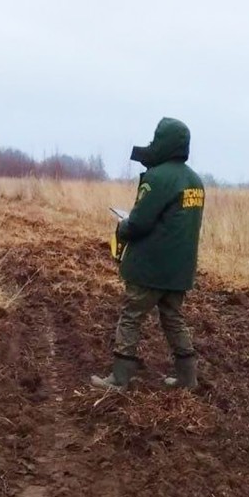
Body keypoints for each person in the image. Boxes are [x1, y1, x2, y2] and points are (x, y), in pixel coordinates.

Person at [91, 117, 205, 391]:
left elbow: (140, 222)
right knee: (173, 319)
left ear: (165, 142)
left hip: (150, 268)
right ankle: (188, 379)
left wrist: (123, 227)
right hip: (179, 271)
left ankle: (119, 379)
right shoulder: (195, 181)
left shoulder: (157, 177)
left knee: (131, 317)